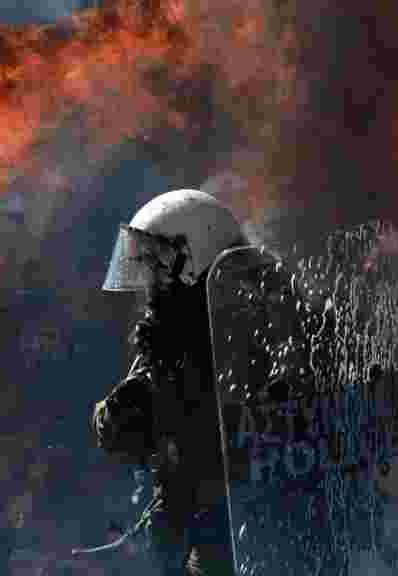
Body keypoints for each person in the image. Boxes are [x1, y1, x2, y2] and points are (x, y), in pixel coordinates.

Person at [88, 189, 248, 575]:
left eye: (157, 264)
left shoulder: (256, 323)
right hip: (200, 527)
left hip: (254, 527)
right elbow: (119, 422)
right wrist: (122, 414)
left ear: (196, 256)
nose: (149, 279)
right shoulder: (168, 333)